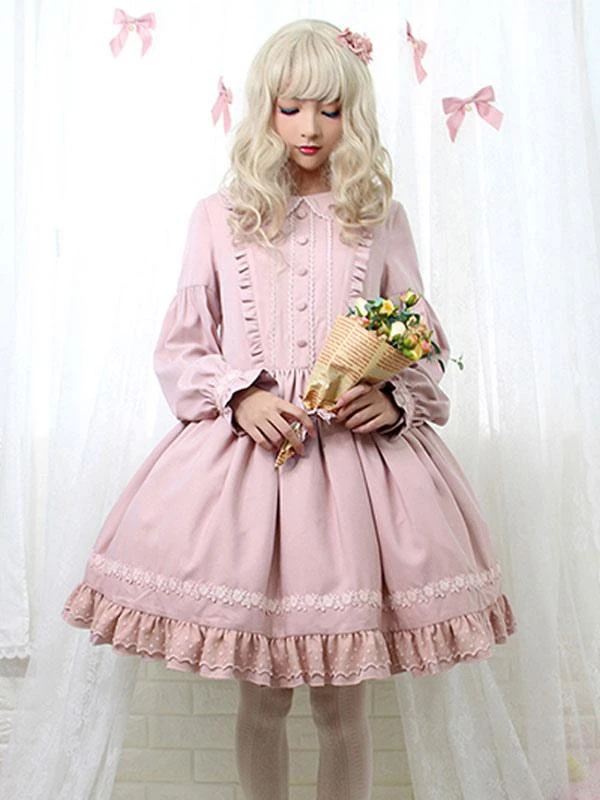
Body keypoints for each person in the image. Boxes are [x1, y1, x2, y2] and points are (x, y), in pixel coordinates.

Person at [61, 18, 517, 800]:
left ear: (354, 115)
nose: (310, 127)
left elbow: (422, 345)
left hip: (357, 490)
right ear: (265, 108)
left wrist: (393, 397)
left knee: (344, 706)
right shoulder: (220, 215)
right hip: (247, 482)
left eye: (331, 110)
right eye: (292, 106)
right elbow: (181, 347)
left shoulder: (379, 216)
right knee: (264, 699)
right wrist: (240, 395)